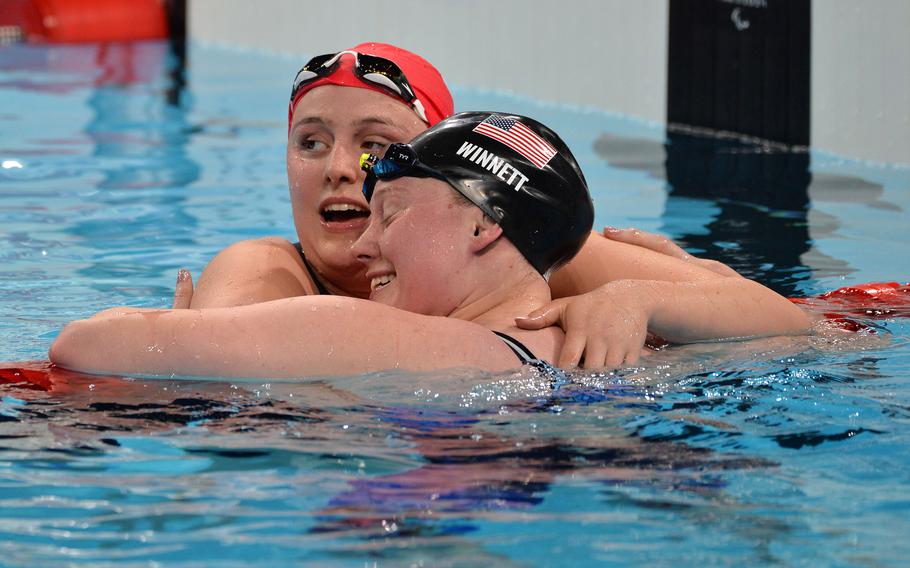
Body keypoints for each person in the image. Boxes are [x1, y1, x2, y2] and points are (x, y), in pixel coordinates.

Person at [171, 42, 810, 370]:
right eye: (311, 142)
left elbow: (794, 323)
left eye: (377, 149)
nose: (341, 168)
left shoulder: (537, 254)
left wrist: (639, 299)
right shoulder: (267, 273)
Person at [48, 112, 809, 378]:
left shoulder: (392, 338)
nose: (365, 244)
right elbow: (818, 336)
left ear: (484, 224)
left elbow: (85, 344)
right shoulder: (648, 352)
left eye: (394, 213)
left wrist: (181, 334)